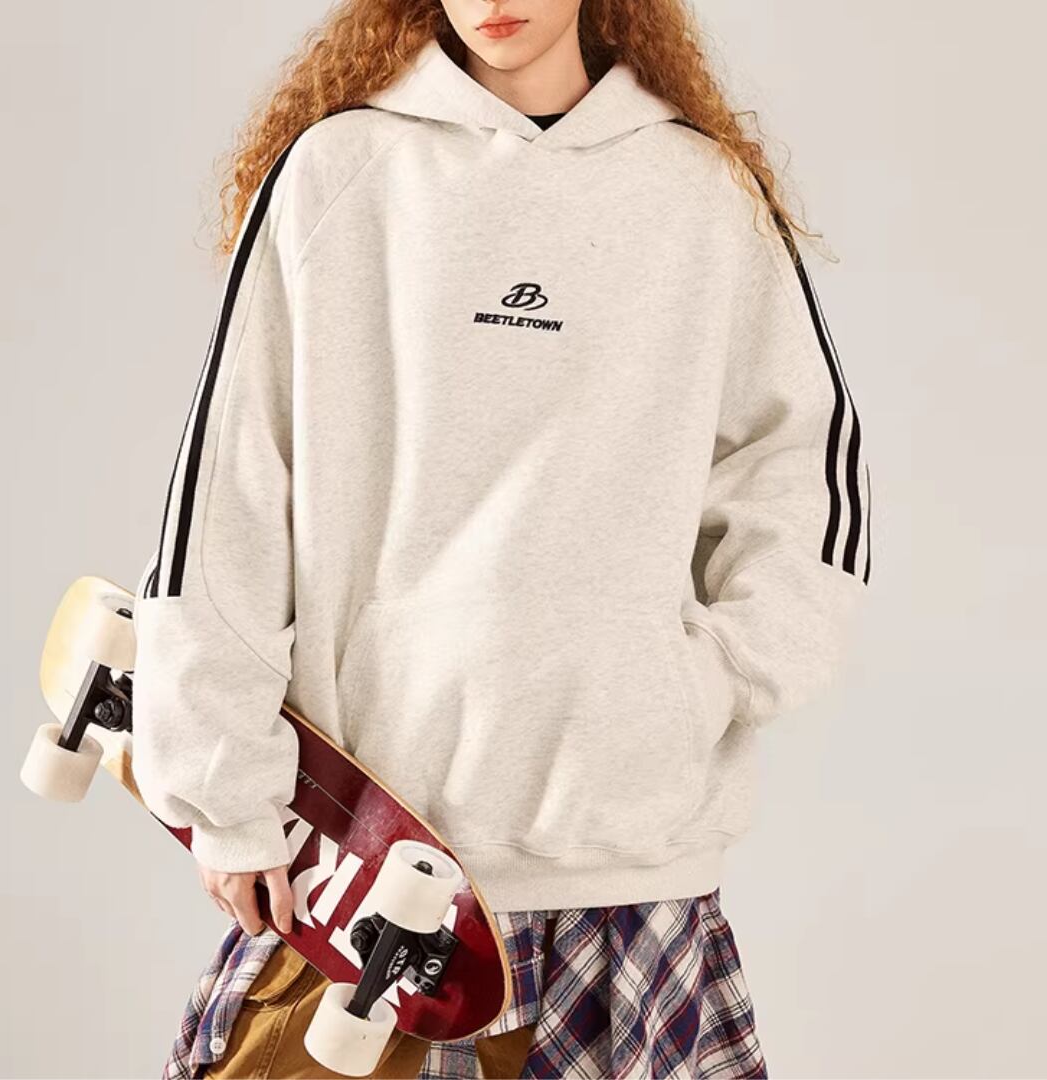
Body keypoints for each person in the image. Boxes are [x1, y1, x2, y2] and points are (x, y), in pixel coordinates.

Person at [130, 0, 872, 1076]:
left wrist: (696, 684)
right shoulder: (338, 174)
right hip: (368, 864)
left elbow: (805, 471)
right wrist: (223, 788)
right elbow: (228, 490)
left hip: (626, 876)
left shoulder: (701, 196)